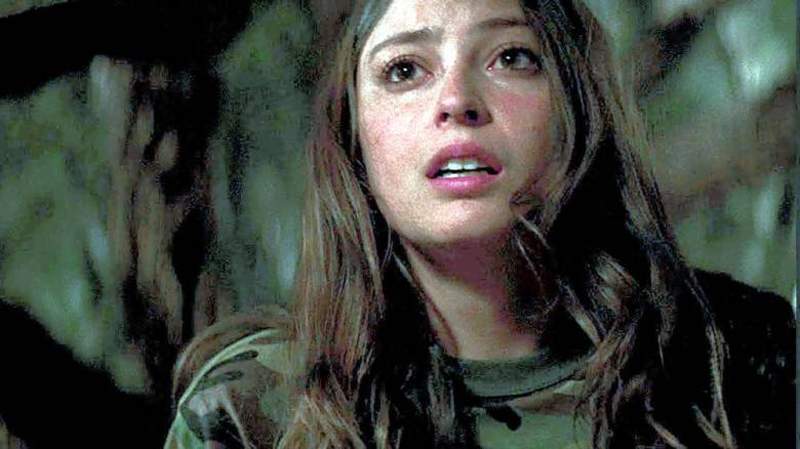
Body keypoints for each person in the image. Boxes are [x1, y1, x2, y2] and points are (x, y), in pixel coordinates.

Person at [163, 0, 795, 448]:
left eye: (510, 57)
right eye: (404, 70)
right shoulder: (252, 410)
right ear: (354, 140)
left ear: (577, 111)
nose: (457, 101)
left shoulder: (740, 360)